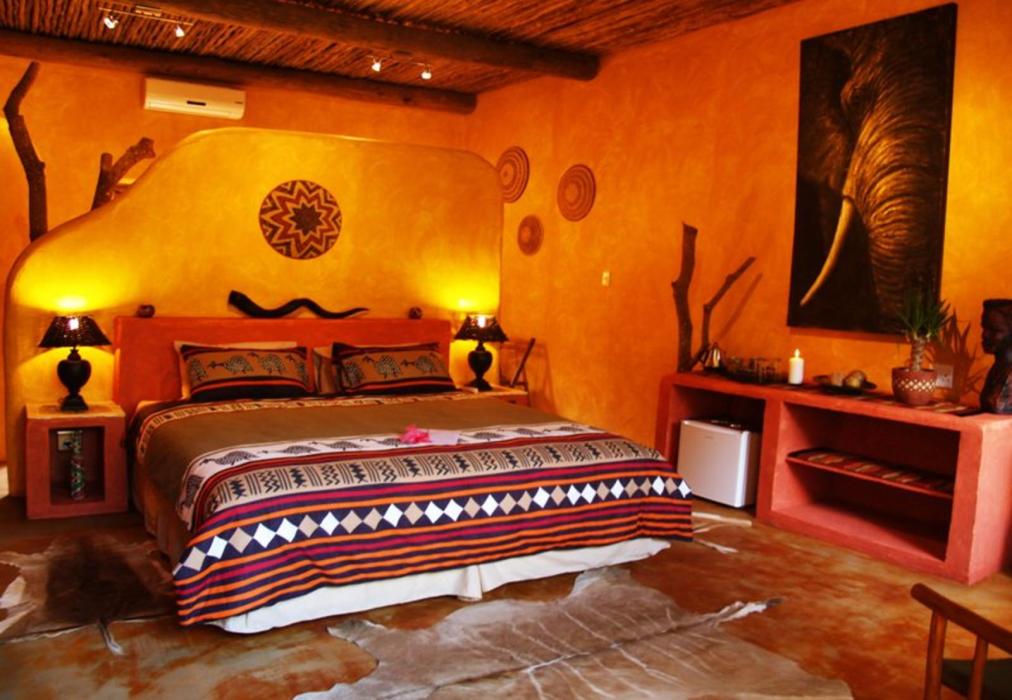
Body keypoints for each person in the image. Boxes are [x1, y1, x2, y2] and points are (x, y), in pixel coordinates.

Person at [980, 299, 1012, 414]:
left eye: (995, 330)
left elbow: (996, 406)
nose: (984, 335)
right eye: (984, 327)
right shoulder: (998, 367)